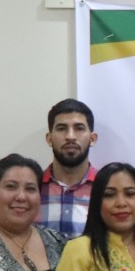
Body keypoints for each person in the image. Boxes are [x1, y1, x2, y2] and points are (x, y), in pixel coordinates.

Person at [38, 98, 98, 239]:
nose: (70, 136)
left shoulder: (107, 188)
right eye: (61, 128)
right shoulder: (31, 188)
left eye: (79, 128)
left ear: (92, 138)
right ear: (49, 139)